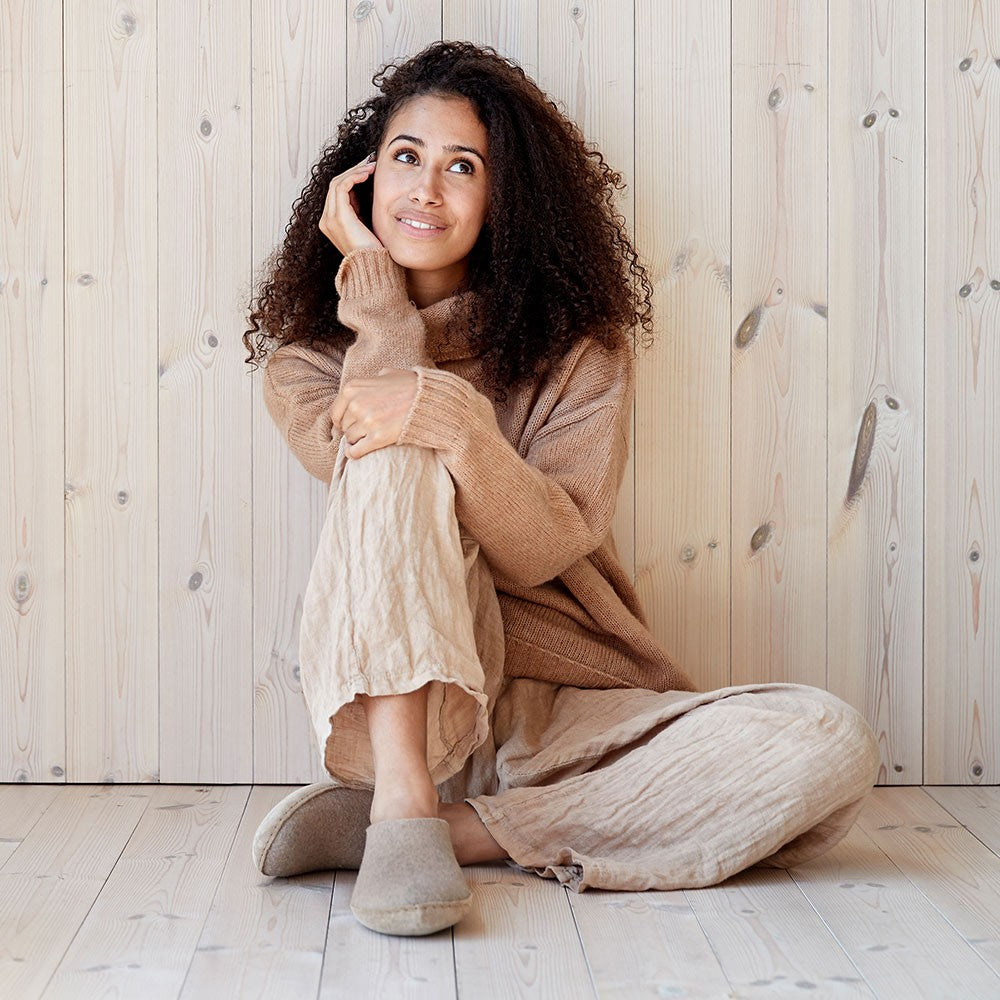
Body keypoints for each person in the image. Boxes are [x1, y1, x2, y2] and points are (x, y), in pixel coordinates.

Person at [242, 40, 880, 938]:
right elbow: (378, 417)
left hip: (567, 715)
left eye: (463, 167)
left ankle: (434, 829)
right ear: (360, 184)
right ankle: (404, 790)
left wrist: (453, 416)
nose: (426, 189)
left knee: (831, 743)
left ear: (505, 200)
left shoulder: (575, 353)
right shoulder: (309, 369)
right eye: (406, 158)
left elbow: (545, 545)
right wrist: (379, 298)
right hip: (423, 713)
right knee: (383, 443)